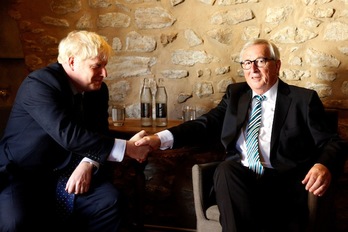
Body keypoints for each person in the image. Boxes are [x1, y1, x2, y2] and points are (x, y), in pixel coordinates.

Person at [135, 39, 347, 231]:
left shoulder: (303, 99)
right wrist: (158, 139)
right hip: (239, 179)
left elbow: (333, 142)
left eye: (260, 61)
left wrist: (323, 165)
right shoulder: (235, 95)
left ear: (277, 65)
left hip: (281, 184)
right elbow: (204, 125)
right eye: (246, 63)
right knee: (226, 169)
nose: (252, 69)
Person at [0, 30, 151, 232]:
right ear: (72, 62)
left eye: (105, 66)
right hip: (23, 172)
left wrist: (88, 162)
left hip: (69, 170)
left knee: (109, 201)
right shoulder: (39, 84)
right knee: (15, 223)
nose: (104, 74)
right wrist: (128, 148)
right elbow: (69, 135)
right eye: (97, 66)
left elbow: (100, 133)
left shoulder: (98, 90)